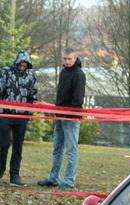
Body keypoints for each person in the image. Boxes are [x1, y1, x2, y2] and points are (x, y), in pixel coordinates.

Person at [38, 48, 86, 189]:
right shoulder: (63, 72)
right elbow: (61, 96)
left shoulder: (79, 74)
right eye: (65, 58)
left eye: (69, 59)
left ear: (75, 58)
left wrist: (66, 112)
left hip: (71, 117)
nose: (67, 61)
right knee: (57, 148)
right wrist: (56, 110)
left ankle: (69, 180)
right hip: (59, 115)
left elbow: (78, 99)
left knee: (71, 150)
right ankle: (53, 177)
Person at [0, 50, 37, 187]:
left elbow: (33, 96)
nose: (23, 64)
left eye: (25, 62)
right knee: (4, 144)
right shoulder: (5, 72)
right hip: (6, 114)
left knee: (18, 146)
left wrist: (28, 114)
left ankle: (15, 175)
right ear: (17, 61)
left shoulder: (31, 76)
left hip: (22, 116)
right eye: (21, 62)